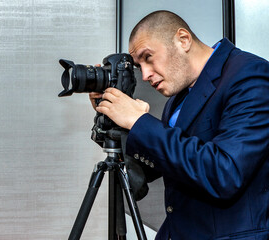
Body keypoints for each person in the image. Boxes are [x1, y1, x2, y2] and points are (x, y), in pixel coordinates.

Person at [90, 10, 269, 240]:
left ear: (183, 40)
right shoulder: (178, 96)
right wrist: (118, 123)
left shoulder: (250, 75)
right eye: (138, 64)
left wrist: (139, 122)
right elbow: (170, 164)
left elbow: (225, 172)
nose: (144, 75)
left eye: (148, 57)